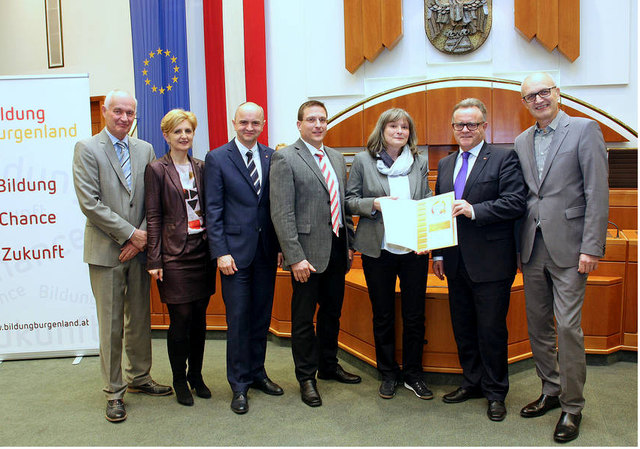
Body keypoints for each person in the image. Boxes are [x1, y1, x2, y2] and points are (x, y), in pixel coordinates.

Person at [515, 72, 609, 443]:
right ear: (524, 104)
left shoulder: (585, 130)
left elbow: (596, 191)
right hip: (532, 247)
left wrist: (591, 246)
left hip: (571, 248)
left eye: (543, 92)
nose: (538, 100)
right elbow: (525, 196)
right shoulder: (522, 140)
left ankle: (573, 406)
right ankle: (550, 390)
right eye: (529, 97)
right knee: (537, 326)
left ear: (558, 94)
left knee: (567, 327)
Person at [72, 90, 172, 423]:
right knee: (112, 323)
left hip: (140, 251)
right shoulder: (87, 149)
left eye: (130, 113)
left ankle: (140, 377)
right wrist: (131, 234)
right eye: (118, 111)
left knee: (140, 318)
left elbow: (153, 199)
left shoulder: (145, 149)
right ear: (104, 111)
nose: (124, 118)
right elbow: (90, 203)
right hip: (106, 252)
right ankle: (114, 391)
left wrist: (141, 238)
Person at [432, 98, 526, 422]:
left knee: (491, 331)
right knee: (464, 329)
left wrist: (475, 210)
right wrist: (439, 252)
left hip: (491, 264)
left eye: (472, 124)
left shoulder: (503, 157)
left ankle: (496, 391)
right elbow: (440, 212)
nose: (465, 130)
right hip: (455, 262)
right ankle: (471, 382)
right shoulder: (446, 164)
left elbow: (516, 202)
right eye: (460, 124)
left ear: (484, 126)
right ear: (453, 128)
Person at [270, 100, 360, 407]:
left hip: (336, 249)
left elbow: (343, 203)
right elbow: (282, 213)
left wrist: (349, 243)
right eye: (311, 120)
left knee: (332, 313)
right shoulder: (285, 158)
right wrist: (294, 256)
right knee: (304, 320)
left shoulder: (335, 157)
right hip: (306, 255)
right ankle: (306, 377)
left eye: (322, 119)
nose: (318, 124)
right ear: (299, 125)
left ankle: (328, 366)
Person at [345, 108, 433, 400]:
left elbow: (427, 199)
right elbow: (349, 201)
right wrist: (375, 203)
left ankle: (413, 373)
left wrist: (431, 227)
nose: (399, 131)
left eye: (404, 127)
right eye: (393, 126)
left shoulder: (418, 161)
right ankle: (388, 372)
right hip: (377, 249)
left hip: (413, 249)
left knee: (414, 315)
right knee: (382, 314)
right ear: (382, 130)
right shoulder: (362, 160)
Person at [204, 102, 284, 415]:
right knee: (238, 320)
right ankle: (238, 385)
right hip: (233, 256)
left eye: (255, 123)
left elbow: (273, 206)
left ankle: (257, 373)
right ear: (233, 123)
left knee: (261, 317)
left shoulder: (271, 156)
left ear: (263, 124)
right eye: (243, 122)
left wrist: (278, 247)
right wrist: (220, 251)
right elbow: (213, 209)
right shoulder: (218, 158)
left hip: (265, 253)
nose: (249, 128)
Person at [144, 109, 216, 407]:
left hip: (203, 252)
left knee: (200, 319)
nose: (184, 136)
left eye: (188, 131)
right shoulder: (156, 169)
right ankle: (178, 377)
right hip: (174, 255)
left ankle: (196, 376)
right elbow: (153, 216)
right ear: (166, 136)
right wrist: (154, 259)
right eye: (178, 132)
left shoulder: (202, 167)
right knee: (180, 319)